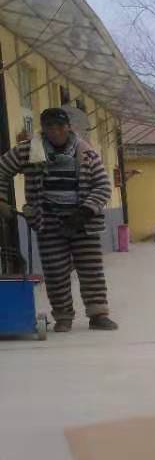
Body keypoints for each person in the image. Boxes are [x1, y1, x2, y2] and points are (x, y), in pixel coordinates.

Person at [0, 108, 117, 333]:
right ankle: (63, 316)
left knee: (91, 270)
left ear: (68, 127)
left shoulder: (86, 152)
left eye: (60, 126)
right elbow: (2, 169)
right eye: (49, 127)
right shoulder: (28, 151)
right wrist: (1, 200)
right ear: (43, 129)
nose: (55, 131)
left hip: (83, 221)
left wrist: (84, 212)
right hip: (48, 221)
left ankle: (98, 315)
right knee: (56, 272)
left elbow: (103, 186)